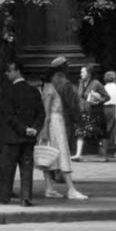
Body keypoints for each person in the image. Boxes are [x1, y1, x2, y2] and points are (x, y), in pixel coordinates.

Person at [0, 59, 46, 206]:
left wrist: (23, 129)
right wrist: (34, 129)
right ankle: (26, 197)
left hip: (12, 137)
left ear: (17, 71)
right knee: (26, 168)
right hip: (28, 139)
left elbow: (9, 115)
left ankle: (4, 197)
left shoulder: (8, 91)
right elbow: (41, 113)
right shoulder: (34, 91)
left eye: (9, 71)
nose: (7, 73)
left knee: (7, 168)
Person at [46, 58, 87, 199]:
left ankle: (50, 186)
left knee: (49, 154)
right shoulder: (65, 84)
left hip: (50, 122)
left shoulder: (48, 84)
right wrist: (80, 121)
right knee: (63, 151)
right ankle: (70, 187)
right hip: (61, 121)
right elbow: (72, 105)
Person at [39, 62, 78, 200]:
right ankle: (71, 188)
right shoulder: (50, 88)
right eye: (59, 76)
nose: (61, 79)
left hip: (54, 123)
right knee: (61, 153)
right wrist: (44, 129)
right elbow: (46, 111)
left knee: (50, 157)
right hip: (54, 124)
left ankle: (50, 188)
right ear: (54, 76)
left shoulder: (48, 88)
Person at [75, 64, 107, 161]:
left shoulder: (96, 83)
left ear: (89, 74)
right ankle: (78, 154)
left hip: (94, 112)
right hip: (82, 111)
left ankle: (104, 155)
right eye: (81, 72)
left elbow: (106, 96)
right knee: (80, 132)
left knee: (99, 132)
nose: (81, 74)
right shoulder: (80, 83)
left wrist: (98, 101)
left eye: (83, 72)